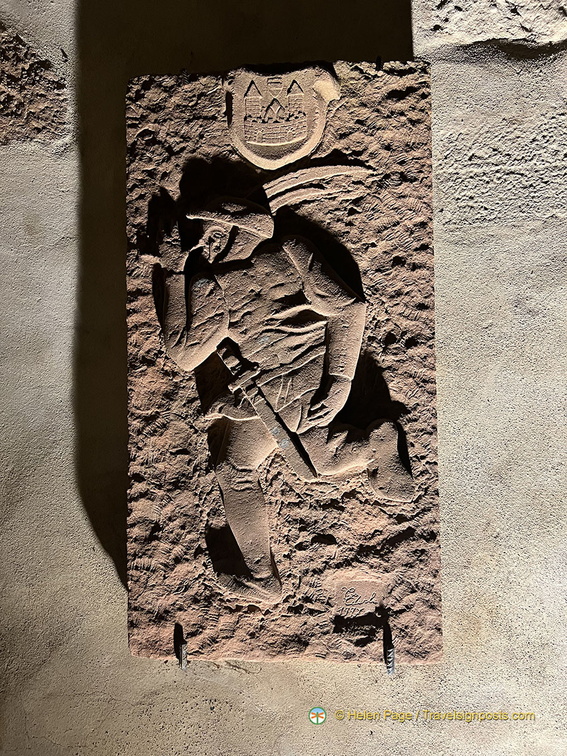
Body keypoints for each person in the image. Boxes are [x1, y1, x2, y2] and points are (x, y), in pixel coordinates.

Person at [157, 197, 414, 602]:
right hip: (295, 388)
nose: (206, 245)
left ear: (236, 225)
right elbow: (349, 309)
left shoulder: (221, 281)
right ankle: (371, 447)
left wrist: (175, 274)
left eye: (213, 233)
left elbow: (183, 352)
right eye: (204, 237)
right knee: (313, 460)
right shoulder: (285, 253)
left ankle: (263, 575)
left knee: (237, 467)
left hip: (291, 389)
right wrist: (337, 382)